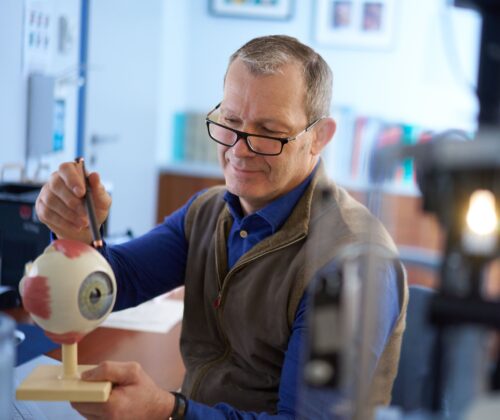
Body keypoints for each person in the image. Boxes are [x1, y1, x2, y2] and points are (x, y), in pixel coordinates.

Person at [35, 35, 407, 419]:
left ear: (319, 137)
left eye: (267, 131)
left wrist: (169, 412)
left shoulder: (350, 264)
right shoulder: (209, 211)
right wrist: (77, 234)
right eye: (230, 121)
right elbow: (116, 282)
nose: (239, 150)